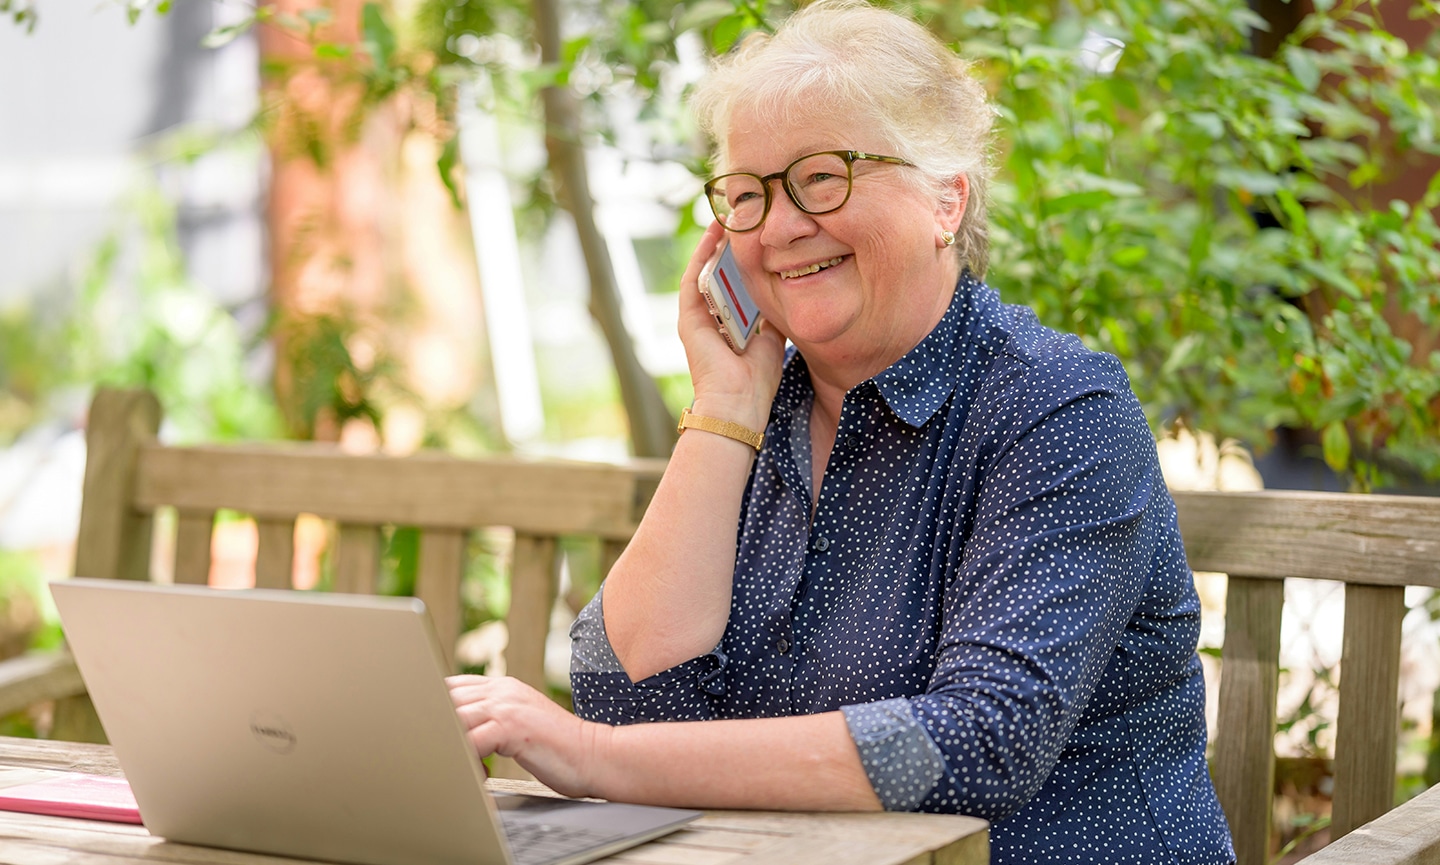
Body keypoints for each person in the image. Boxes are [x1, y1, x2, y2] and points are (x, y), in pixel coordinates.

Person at [448, 2, 1235, 862]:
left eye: (822, 177)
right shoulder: (761, 418)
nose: (782, 226)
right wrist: (727, 407)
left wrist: (596, 760)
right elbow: (624, 694)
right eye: (747, 195)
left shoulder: (1058, 409)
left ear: (946, 198)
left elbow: (979, 740)